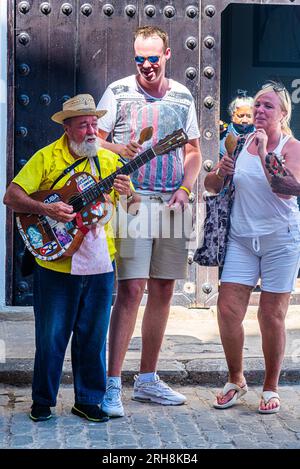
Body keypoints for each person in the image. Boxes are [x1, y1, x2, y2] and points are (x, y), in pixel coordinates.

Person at [3, 94, 139, 422]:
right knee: (51, 334)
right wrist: (46, 208)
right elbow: (11, 196)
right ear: (67, 128)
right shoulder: (46, 157)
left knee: (93, 334)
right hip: (56, 261)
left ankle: (88, 400)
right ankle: (42, 400)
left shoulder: (107, 161)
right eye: (83, 125)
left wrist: (128, 193)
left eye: (94, 124)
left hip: (99, 262)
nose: (92, 131)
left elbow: (134, 209)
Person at [97, 26, 201, 417]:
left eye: (152, 58)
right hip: (132, 201)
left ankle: (147, 379)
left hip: (173, 202)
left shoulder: (182, 95)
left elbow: (193, 150)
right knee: (131, 290)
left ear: (167, 55)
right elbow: (94, 138)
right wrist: (115, 147)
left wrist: (186, 189)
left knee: (163, 290)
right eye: (139, 58)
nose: (145, 65)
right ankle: (112, 385)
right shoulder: (118, 91)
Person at [204, 82, 300, 414]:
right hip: (242, 239)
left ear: (283, 113)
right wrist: (221, 171)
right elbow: (210, 185)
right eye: (257, 105)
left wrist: (262, 154)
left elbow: (287, 188)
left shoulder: (292, 147)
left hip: (280, 240)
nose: (259, 111)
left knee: (270, 316)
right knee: (228, 309)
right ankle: (236, 379)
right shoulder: (238, 142)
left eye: (268, 106)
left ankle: (271, 386)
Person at [220, 91, 254, 158]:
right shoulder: (222, 130)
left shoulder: (259, 133)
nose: (245, 120)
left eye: (249, 116)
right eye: (240, 116)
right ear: (232, 116)